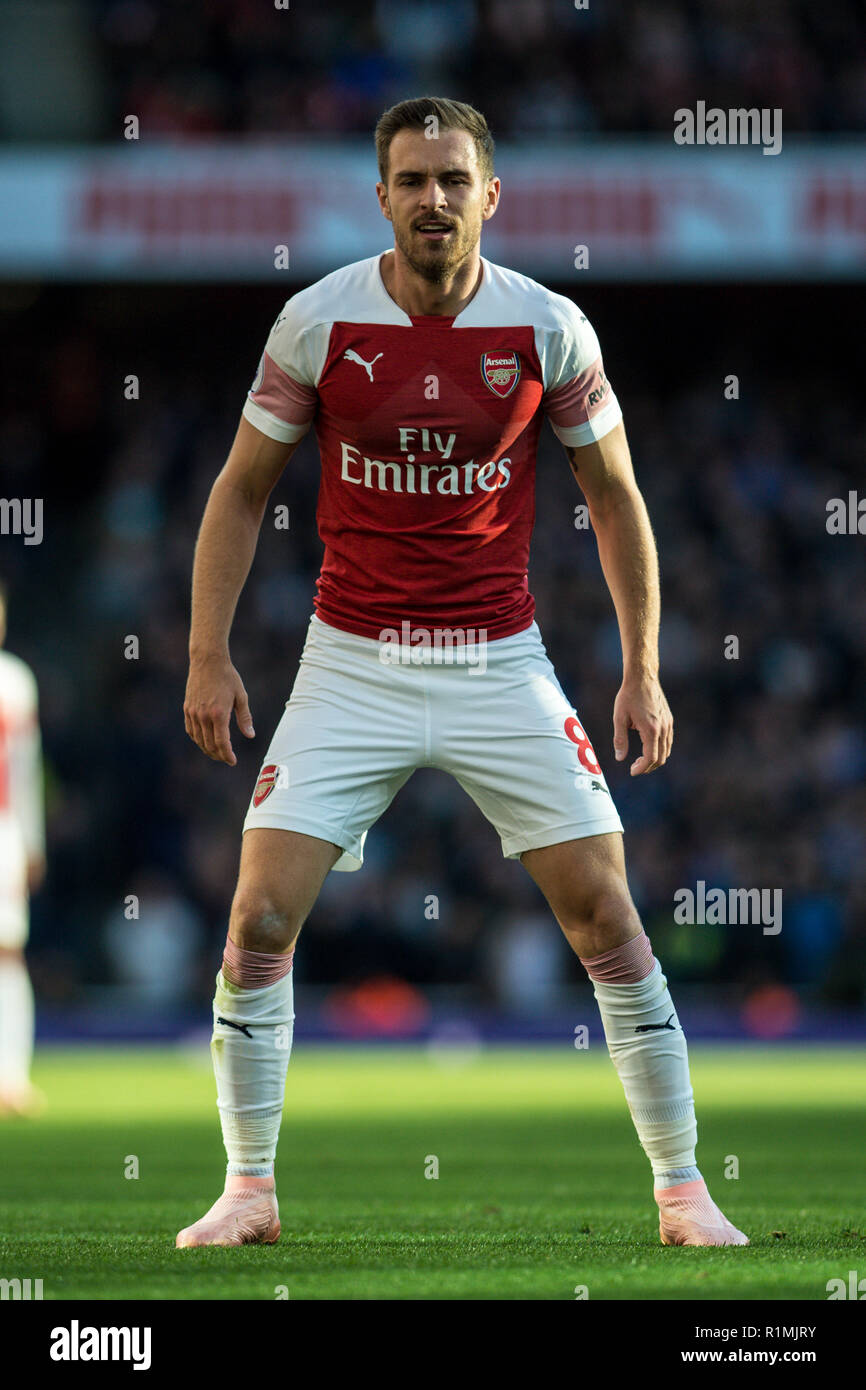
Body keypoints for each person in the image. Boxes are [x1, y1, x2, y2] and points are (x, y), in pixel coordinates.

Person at [178, 97, 747, 1250]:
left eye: (452, 179)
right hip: (349, 666)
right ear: (378, 197)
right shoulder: (315, 323)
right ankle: (247, 1192)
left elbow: (613, 500)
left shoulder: (547, 329)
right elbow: (240, 490)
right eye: (411, 179)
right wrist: (205, 651)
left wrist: (642, 668)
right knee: (256, 922)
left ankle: (683, 1191)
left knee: (606, 918)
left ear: (491, 196)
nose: (432, 198)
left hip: (499, 662)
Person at [0, 583, 46, 1116]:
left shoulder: (14, 682)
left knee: (8, 949)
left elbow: (26, 769)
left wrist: (30, 839)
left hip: (3, 833)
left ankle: (12, 1073)